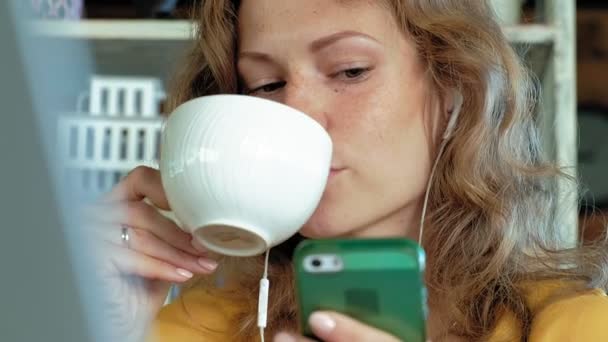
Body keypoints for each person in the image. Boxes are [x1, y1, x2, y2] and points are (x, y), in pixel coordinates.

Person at [87, 0, 608, 341]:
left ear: (454, 91)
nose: (296, 113)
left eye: (350, 71)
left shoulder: (569, 327)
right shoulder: (195, 327)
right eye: (266, 84)